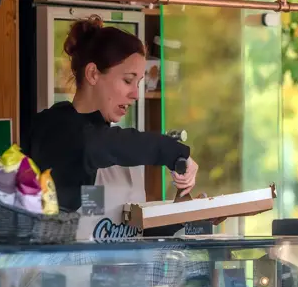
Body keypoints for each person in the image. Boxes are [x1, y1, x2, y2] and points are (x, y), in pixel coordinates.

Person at [29, 15, 198, 212]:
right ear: (93, 74)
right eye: (128, 80)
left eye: (139, 83)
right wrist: (172, 151)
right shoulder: (56, 129)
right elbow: (97, 144)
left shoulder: (120, 146)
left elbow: (131, 230)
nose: (136, 94)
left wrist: (187, 218)